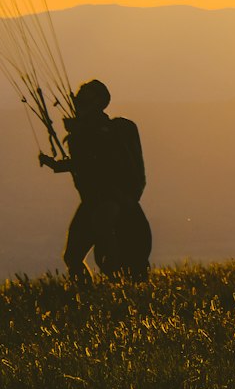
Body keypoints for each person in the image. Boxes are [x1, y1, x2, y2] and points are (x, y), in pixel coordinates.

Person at [38, 78, 151, 281]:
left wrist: (82, 132)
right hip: (92, 200)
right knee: (72, 257)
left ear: (98, 102)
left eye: (84, 97)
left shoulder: (113, 130)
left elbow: (104, 159)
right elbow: (83, 163)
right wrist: (55, 164)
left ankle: (116, 279)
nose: (77, 100)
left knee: (103, 224)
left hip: (111, 197)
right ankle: (85, 299)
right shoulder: (80, 134)